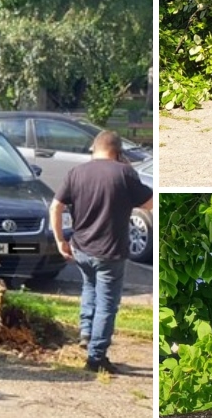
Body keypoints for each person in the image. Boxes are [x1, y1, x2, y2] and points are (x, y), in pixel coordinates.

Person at [49, 131, 153, 375]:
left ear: (93, 150)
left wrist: (60, 240)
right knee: (107, 303)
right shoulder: (124, 173)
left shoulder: (76, 173)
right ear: (118, 152)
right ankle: (96, 357)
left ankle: (86, 332)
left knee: (88, 287)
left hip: (81, 247)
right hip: (111, 251)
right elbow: (150, 205)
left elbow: (55, 207)